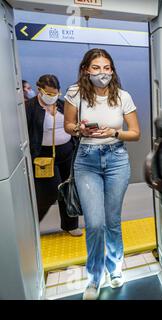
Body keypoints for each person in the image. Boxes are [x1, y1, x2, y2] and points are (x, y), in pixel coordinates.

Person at [63, 48, 140, 300]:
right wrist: (80, 130)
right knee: (95, 224)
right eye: (96, 68)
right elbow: (68, 126)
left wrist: (113, 133)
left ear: (112, 70)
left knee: (112, 222)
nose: (102, 73)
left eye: (107, 67)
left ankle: (115, 270)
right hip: (87, 161)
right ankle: (94, 278)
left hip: (117, 159)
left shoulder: (123, 96)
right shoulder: (75, 93)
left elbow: (135, 133)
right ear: (86, 69)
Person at [25, 74, 82, 237]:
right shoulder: (30, 107)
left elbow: (73, 124)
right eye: (49, 94)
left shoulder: (63, 105)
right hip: (44, 156)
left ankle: (70, 225)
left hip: (67, 153)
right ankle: (32, 227)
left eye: (55, 93)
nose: (52, 97)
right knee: (48, 193)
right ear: (39, 90)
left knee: (69, 190)